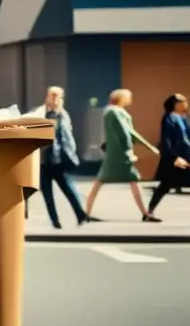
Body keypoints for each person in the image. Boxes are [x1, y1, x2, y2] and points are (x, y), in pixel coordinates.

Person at [85, 88, 157, 222]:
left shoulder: (112, 111)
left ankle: (85, 213)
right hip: (120, 153)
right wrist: (130, 148)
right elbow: (126, 132)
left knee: (101, 181)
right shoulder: (114, 112)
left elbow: (129, 132)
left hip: (115, 153)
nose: (130, 99)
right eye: (128, 97)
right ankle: (145, 214)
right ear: (121, 98)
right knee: (131, 180)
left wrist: (147, 146)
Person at [38, 87, 89, 229]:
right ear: (47, 97)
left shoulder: (62, 115)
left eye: (57, 96)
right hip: (43, 160)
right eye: (51, 96)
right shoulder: (41, 113)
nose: (54, 99)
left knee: (68, 189)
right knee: (47, 193)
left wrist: (70, 155)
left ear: (61, 99)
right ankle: (55, 221)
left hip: (57, 160)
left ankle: (81, 215)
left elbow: (66, 139)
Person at [147, 94, 190, 219]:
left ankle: (149, 212)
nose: (186, 103)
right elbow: (166, 140)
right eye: (183, 101)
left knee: (164, 186)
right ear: (175, 104)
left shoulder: (183, 118)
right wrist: (174, 157)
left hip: (185, 157)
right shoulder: (169, 118)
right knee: (164, 186)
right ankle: (149, 212)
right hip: (177, 159)